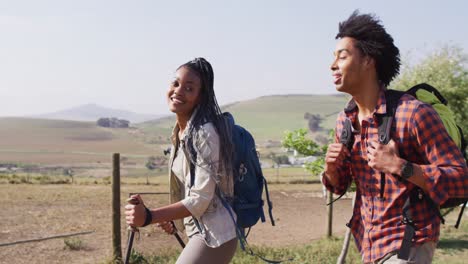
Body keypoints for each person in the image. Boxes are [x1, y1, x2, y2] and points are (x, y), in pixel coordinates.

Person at [323, 11, 468, 264]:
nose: (332, 65)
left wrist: (400, 166)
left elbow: (461, 179)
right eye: (333, 57)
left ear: (368, 60)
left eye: (342, 56)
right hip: (369, 244)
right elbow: (339, 185)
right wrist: (331, 169)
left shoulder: (413, 114)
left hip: (408, 243)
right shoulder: (345, 121)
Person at [125, 57, 237, 264]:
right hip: (199, 231)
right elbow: (188, 186)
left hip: (216, 235)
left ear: (200, 97)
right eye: (175, 83)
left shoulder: (205, 134)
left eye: (189, 88)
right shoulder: (181, 132)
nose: (178, 91)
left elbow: (201, 198)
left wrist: (150, 216)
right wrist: (173, 219)